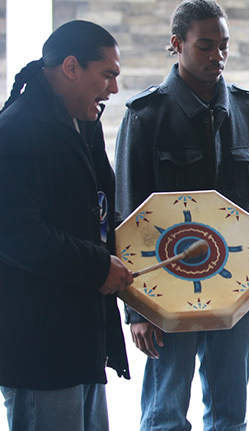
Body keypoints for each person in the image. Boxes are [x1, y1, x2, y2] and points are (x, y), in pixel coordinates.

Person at [114, 1, 249, 430]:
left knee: (230, 415)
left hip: (237, 286)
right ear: (177, 44)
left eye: (224, 46)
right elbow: (128, 219)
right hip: (167, 294)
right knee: (164, 415)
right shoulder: (146, 116)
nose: (217, 56)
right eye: (205, 45)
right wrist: (137, 311)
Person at [0, 20, 133, 431]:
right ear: (71, 67)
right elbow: (18, 234)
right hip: (39, 344)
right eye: (107, 74)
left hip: (82, 335)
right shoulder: (16, 130)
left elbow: (98, 209)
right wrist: (98, 267)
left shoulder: (81, 123)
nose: (113, 89)